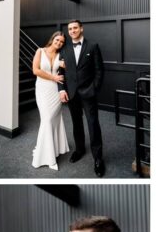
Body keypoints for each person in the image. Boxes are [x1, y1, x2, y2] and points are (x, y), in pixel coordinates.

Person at [58, 19, 105, 176]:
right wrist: (61, 90)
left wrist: (94, 88)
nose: (72, 31)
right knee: (76, 123)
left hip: (88, 93)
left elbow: (99, 70)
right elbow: (60, 72)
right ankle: (79, 150)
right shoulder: (64, 49)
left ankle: (98, 159)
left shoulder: (93, 46)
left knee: (93, 124)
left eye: (75, 28)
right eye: (70, 29)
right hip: (72, 94)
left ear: (81, 29)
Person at [32, 31, 70, 170]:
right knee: (47, 119)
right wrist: (53, 77)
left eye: (61, 42)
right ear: (52, 39)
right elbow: (35, 70)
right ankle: (47, 157)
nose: (59, 43)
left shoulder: (62, 55)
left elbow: (64, 73)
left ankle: (52, 149)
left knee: (53, 119)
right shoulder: (40, 51)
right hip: (43, 89)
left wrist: (65, 68)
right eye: (57, 40)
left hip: (56, 91)